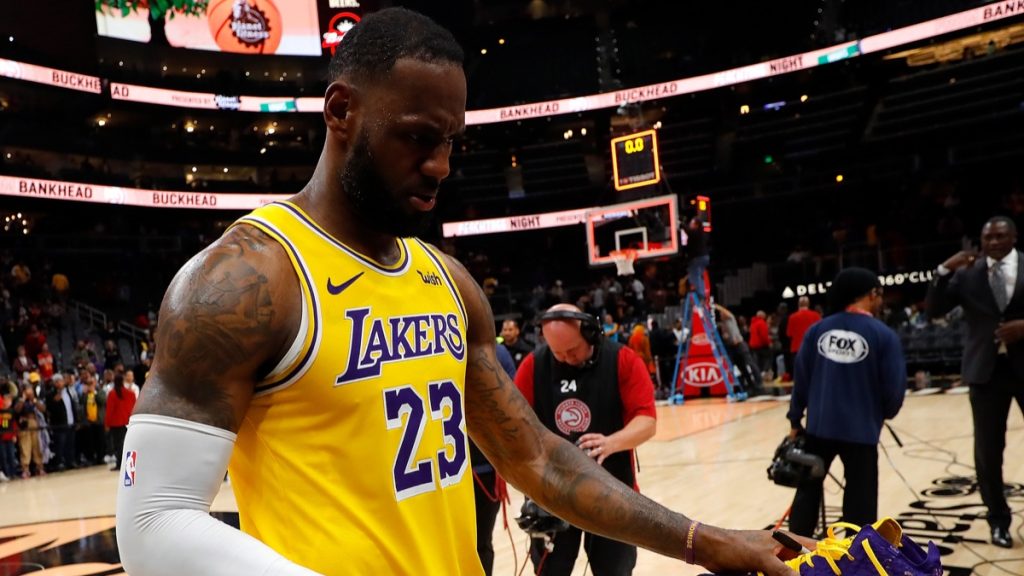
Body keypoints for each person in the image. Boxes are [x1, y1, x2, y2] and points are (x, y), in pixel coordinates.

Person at [115, 9, 806, 576]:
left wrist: (701, 540)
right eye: (418, 138)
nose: (441, 165)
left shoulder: (447, 281)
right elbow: (153, 523)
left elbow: (537, 457)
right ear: (341, 110)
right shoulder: (245, 280)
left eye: (451, 141)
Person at [515, 304, 656, 575]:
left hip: (613, 490)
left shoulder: (622, 359)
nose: (567, 358)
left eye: (573, 350)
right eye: (558, 353)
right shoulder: (533, 365)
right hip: (552, 493)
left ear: (591, 333)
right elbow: (514, 423)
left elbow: (647, 421)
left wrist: (612, 442)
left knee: (615, 571)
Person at [926, 216, 1024, 548]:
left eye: (1000, 236)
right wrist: (943, 270)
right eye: (988, 237)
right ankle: (998, 521)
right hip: (985, 372)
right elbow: (934, 309)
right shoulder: (967, 274)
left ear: (1014, 237)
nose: (993, 242)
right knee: (987, 451)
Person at [787, 268, 906, 537]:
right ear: (872, 294)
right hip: (862, 432)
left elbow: (801, 379)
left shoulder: (817, 330)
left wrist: (795, 419)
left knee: (807, 494)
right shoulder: (884, 335)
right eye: (880, 294)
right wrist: (882, 413)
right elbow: (894, 391)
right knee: (860, 503)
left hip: (819, 429)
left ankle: (793, 551)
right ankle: (856, 556)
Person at [470, 341, 516, 576]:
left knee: (480, 542)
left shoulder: (497, 353)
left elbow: (513, 411)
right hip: (441, 470)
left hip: (484, 467)